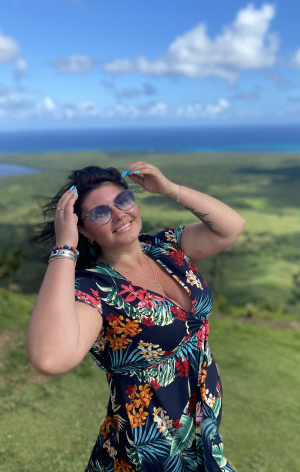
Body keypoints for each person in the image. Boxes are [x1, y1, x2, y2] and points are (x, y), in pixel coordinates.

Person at [27, 161, 245, 472]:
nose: (119, 214)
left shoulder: (165, 248)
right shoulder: (96, 288)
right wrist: (64, 247)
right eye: (100, 213)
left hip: (200, 431)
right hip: (150, 448)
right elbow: (49, 359)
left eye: (123, 200)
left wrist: (169, 189)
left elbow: (231, 226)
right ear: (83, 229)